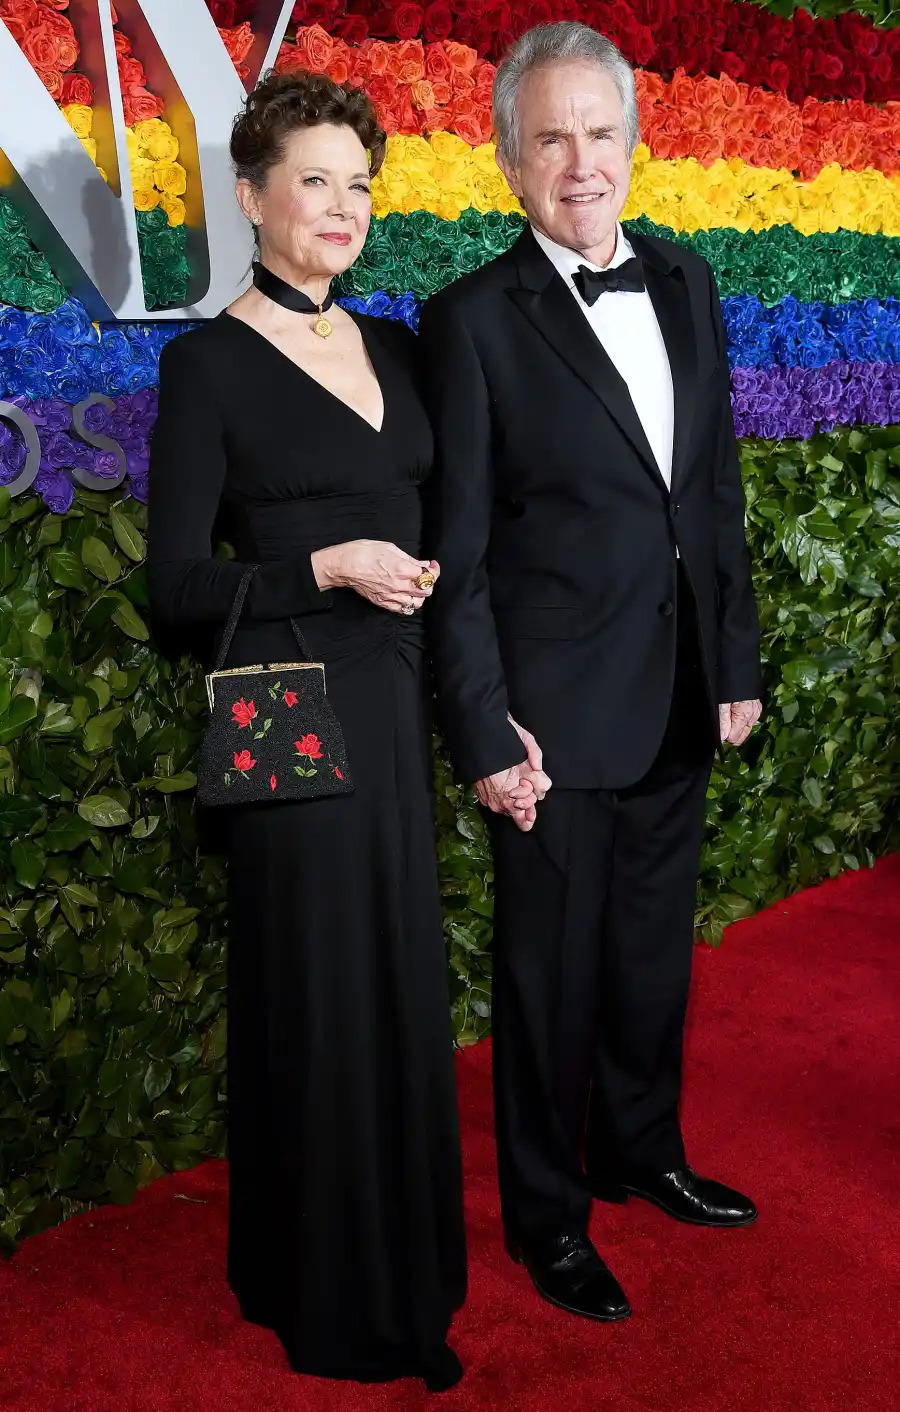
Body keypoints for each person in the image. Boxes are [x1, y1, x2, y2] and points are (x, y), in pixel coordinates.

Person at [419, 22, 763, 1325]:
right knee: (547, 979)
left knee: (650, 959)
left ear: (634, 142)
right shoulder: (467, 324)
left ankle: (642, 1151)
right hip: (550, 724)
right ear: (509, 160)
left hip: (679, 693)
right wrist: (485, 730)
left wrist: (734, 662)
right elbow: (455, 550)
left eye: (600, 132)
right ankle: (549, 1220)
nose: (580, 162)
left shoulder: (686, 282)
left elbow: (712, 493)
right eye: (550, 136)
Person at [147, 70, 466, 1391]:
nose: (343, 206)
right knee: (320, 1008)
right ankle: (327, 1297)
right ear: (251, 195)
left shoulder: (397, 347)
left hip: (394, 710)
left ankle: (409, 1274)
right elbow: (172, 589)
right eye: (315, 179)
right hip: (290, 718)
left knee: (396, 995)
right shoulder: (207, 362)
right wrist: (317, 566)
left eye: (359, 182)